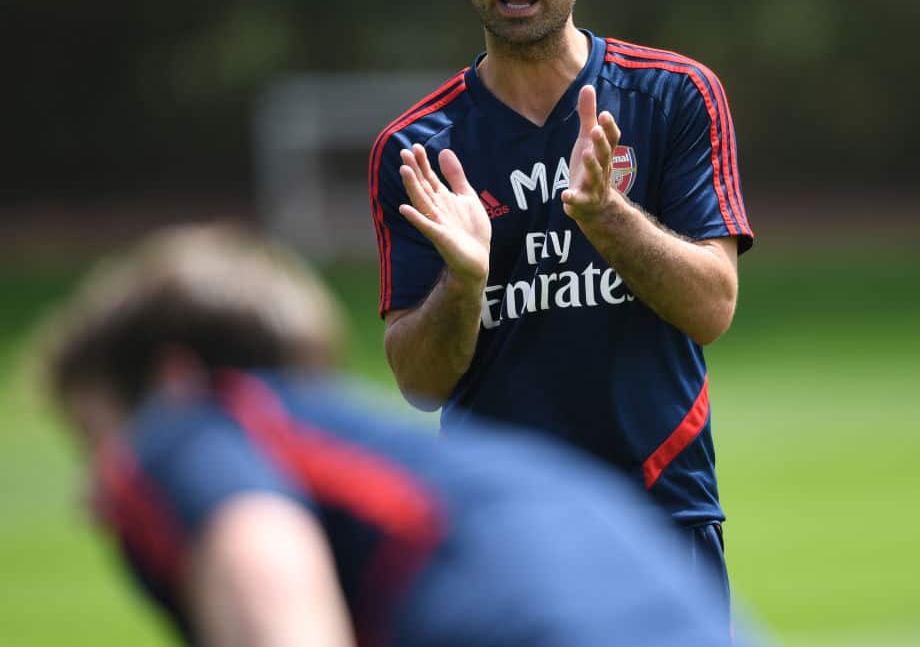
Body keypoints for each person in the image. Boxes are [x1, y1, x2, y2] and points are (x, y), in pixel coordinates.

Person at [368, 0, 755, 608]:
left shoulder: (674, 96)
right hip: (502, 533)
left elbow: (713, 306)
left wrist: (606, 216)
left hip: (659, 517)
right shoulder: (416, 149)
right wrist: (466, 281)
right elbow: (417, 382)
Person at [40, 224, 740, 647]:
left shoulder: (197, 421)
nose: (95, 492)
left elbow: (268, 584)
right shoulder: (384, 450)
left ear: (171, 377)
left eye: (96, 439)